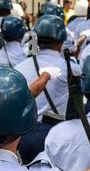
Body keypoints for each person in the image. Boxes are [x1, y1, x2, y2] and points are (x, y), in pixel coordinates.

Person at [11, 15, 71, 162]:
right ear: (62, 41)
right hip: (55, 136)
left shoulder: (19, 68)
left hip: (22, 136)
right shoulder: (70, 68)